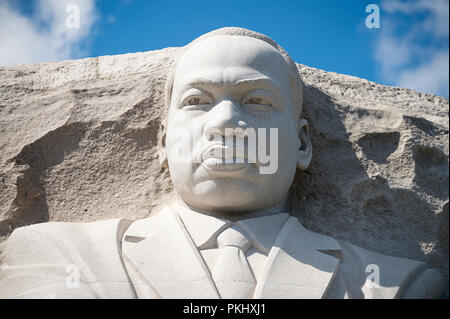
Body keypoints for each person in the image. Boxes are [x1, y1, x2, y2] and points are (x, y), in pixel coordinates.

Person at [0, 27, 444, 299]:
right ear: (161, 142)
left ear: (303, 143)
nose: (227, 121)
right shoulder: (62, 256)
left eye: (257, 100)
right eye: (197, 101)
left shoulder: (394, 285)